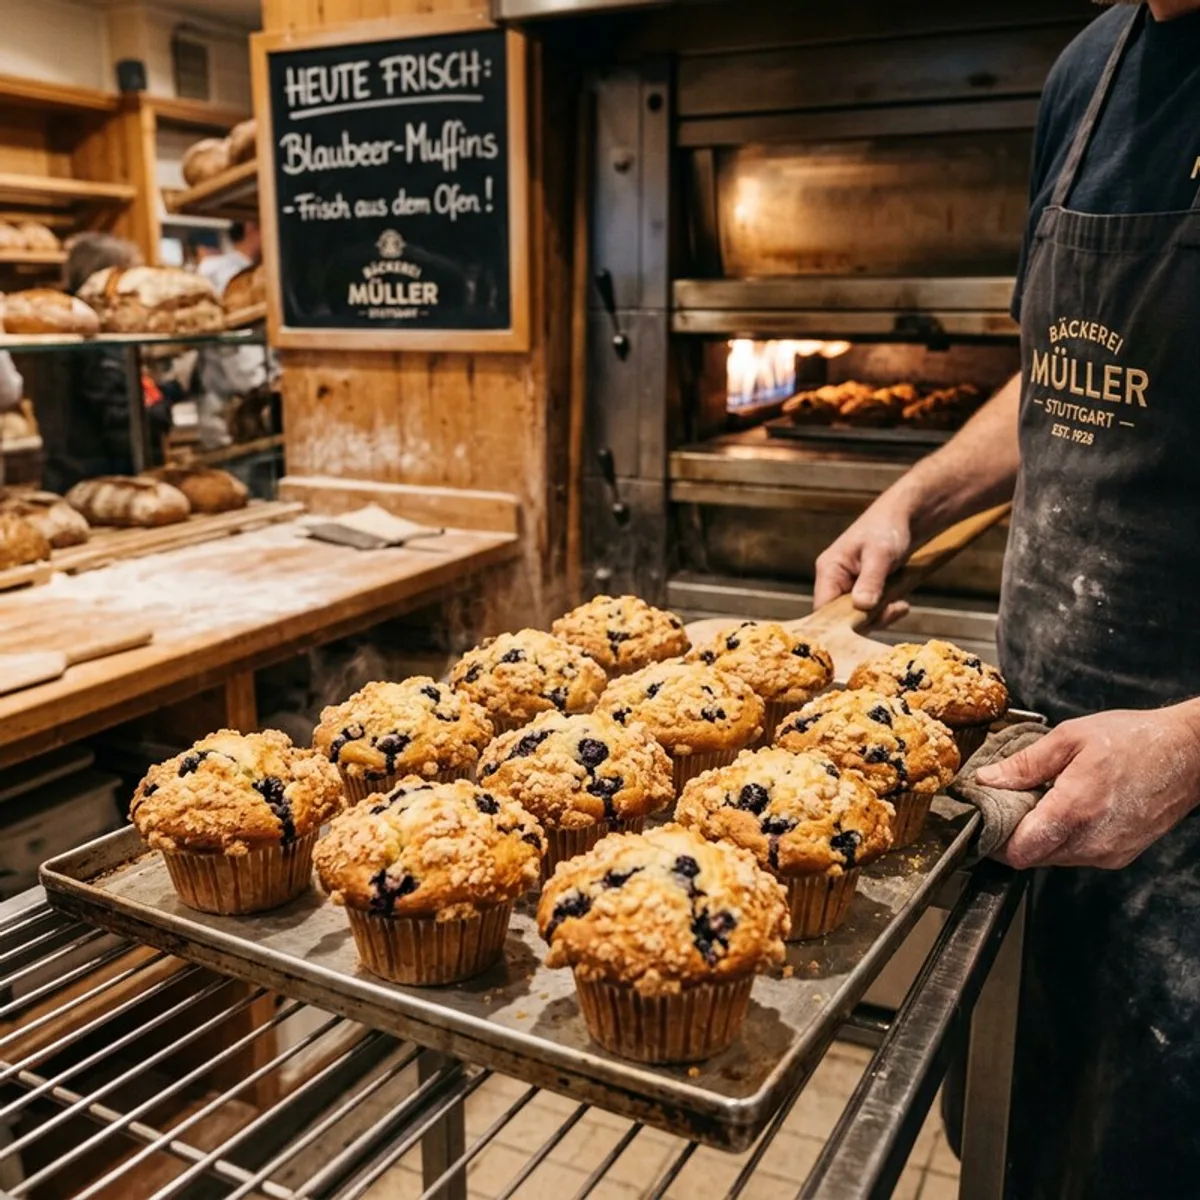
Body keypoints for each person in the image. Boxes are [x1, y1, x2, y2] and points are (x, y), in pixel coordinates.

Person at [814, 1, 1200, 1195]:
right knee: (1028, 1135)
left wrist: (1189, 745)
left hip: (1183, 787)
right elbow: (1069, 360)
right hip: (1041, 750)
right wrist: (915, 499)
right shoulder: (1093, 70)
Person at [38, 233, 142, 493]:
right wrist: (160, 412)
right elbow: (118, 415)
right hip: (100, 479)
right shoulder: (91, 333)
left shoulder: (65, 321)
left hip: (67, 473)